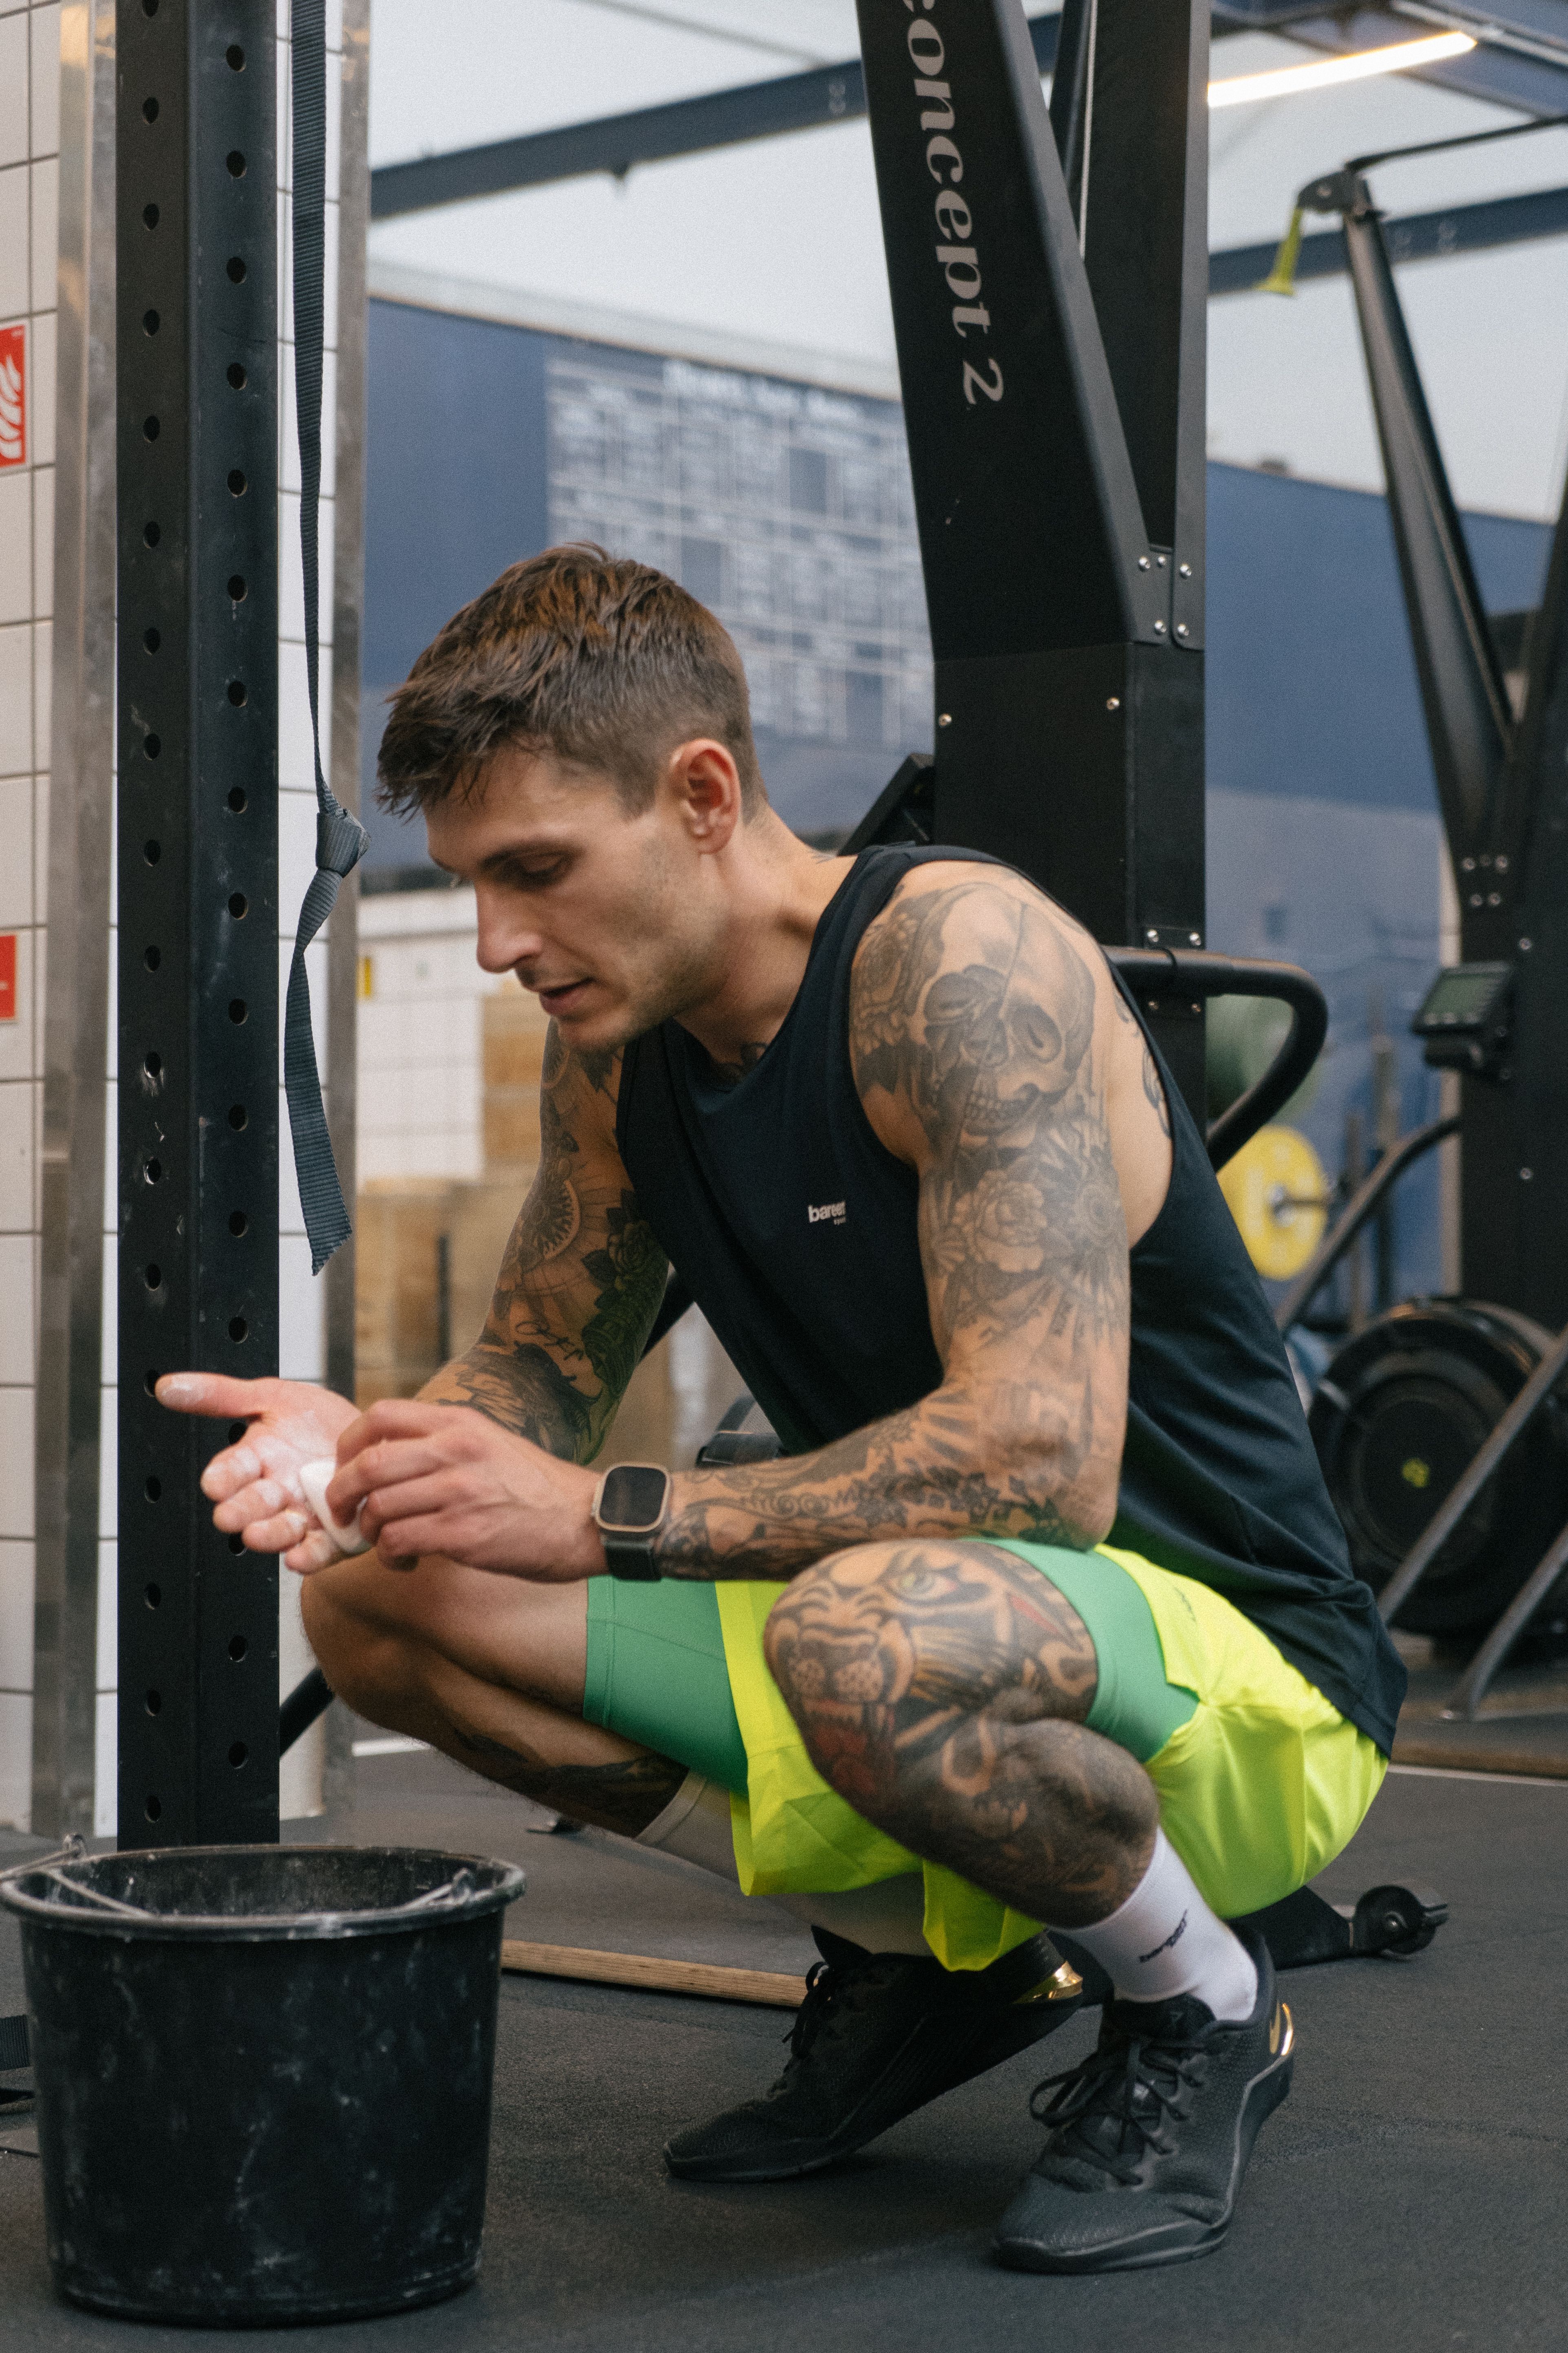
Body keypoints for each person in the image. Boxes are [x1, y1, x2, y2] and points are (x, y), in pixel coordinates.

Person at [160, 545, 1404, 2275]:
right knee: (382, 1595)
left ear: (700, 794)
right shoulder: (617, 1041)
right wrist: (371, 1456)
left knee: (853, 1632)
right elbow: (535, 1373)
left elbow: (1041, 1464)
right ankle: (927, 1965)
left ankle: (1197, 1995)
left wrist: (600, 1516)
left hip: (1239, 1671)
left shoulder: (960, 967)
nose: (500, 941)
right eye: (474, 882)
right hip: (919, 1618)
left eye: (535, 870)